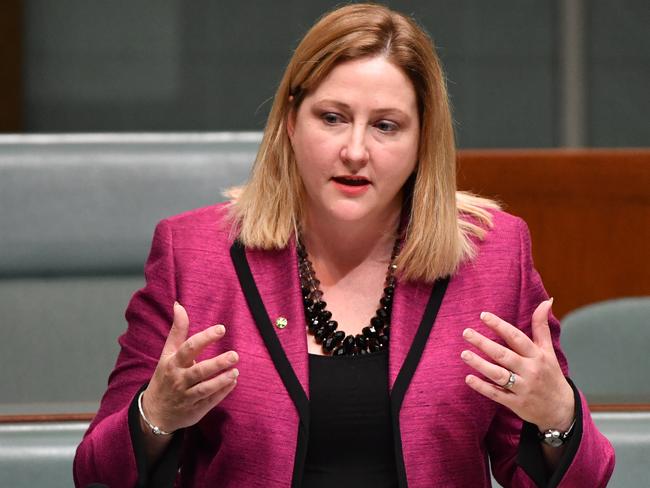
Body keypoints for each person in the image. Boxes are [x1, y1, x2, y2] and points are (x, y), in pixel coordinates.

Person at [74, 4, 614, 487]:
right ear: (290, 121)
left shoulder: (493, 255)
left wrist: (558, 417)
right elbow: (96, 475)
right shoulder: (195, 255)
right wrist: (156, 415)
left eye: (385, 126)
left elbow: (573, 478)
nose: (355, 150)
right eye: (332, 118)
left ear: (423, 139)